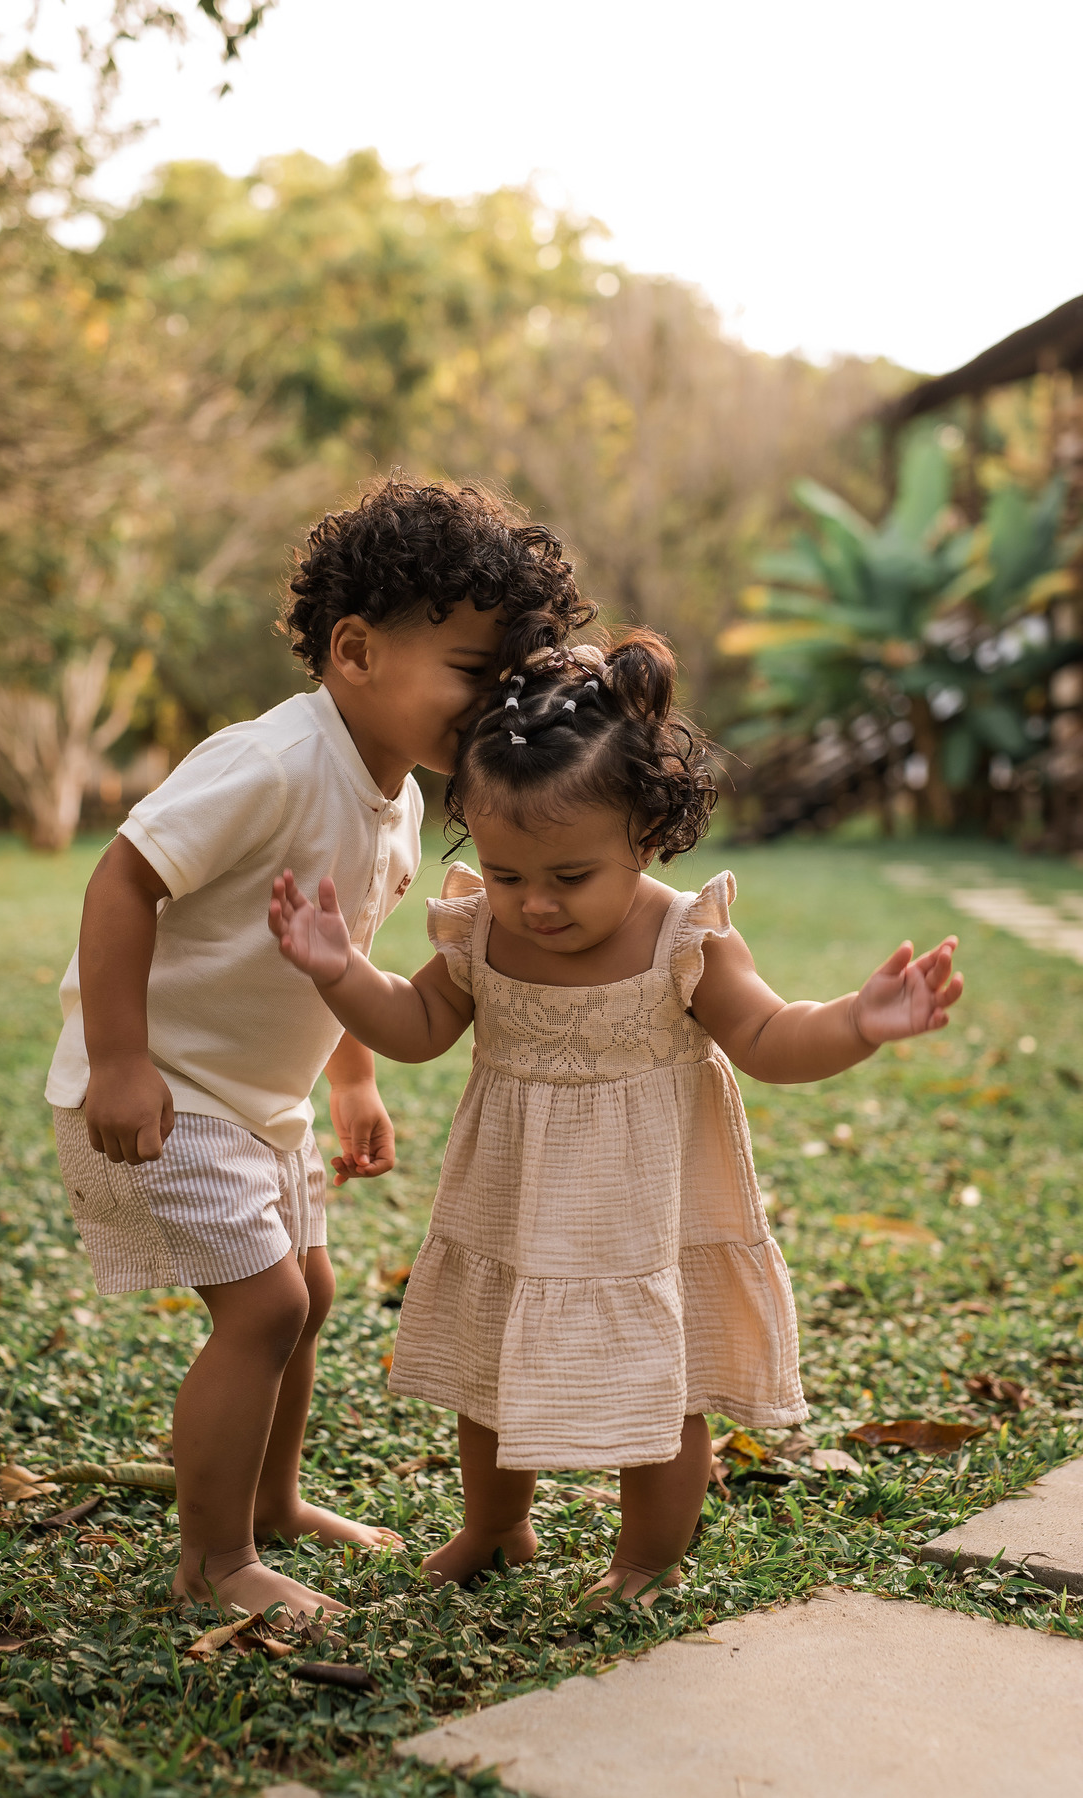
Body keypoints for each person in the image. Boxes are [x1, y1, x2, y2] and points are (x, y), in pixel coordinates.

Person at [268, 628, 964, 1606]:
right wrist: (342, 970)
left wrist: (857, 1021)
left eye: (569, 878)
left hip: (643, 1218)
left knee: (661, 1392)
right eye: (507, 874)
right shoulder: (480, 933)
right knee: (490, 1374)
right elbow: (419, 1025)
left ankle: (644, 1560)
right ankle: (497, 1525)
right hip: (513, 1203)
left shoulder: (686, 939)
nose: (534, 905)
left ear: (645, 835)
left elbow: (768, 1036)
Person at [44, 477, 591, 1621]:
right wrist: (122, 1059)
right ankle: (212, 1562)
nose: (493, 707)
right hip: (171, 1085)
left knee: (314, 1289)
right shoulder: (274, 761)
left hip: (262, 1099)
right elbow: (125, 877)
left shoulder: (393, 795)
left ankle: (275, 1503)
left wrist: (351, 1076)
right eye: (472, 673)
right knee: (266, 1308)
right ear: (354, 650)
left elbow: (338, 948)